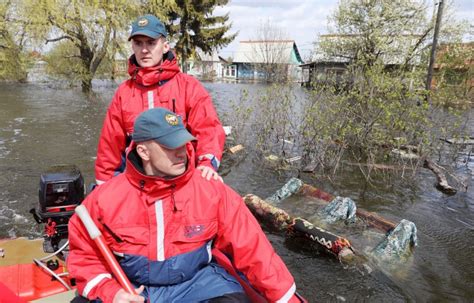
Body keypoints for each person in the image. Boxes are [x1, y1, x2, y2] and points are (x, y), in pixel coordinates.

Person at [68, 108, 304, 303]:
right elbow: (84, 259)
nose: (182, 153)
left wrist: (287, 299)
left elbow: (256, 253)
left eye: (184, 143)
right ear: (143, 151)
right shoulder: (103, 200)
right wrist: (112, 292)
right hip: (133, 287)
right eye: (171, 147)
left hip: (196, 284)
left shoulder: (212, 192)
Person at [95, 14, 225, 186]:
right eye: (138, 43)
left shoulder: (188, 86)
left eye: (151, 42)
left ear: (165, 47)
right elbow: (110, 146)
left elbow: (208, 129)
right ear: (132, 46)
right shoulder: (123, 93)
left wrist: (207, 164)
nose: (144, 50)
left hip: (182, 181)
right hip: (138, 185)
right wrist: (103, 185)